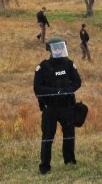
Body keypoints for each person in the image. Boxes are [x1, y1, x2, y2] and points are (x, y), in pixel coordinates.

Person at [33, 37, 82, 174]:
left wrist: (67, 91)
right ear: (50, 50)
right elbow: (37, 87)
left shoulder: (69, 64)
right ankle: (44, 166)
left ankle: (70, 160)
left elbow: (77, 81)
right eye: (55, 48)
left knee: (69, 135)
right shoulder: (43, 67)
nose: (58, 50)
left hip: (67, 106)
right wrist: (55, 92)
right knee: (47, 137)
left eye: (60, 47)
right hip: (51, 108)